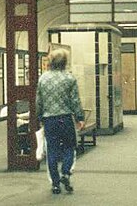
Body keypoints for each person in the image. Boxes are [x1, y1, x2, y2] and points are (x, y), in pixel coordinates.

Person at [36, 49, 85, 195]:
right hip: (66, 118)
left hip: (49, 119)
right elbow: (75, 101)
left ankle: (55, 184)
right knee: (70, 147)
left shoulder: (43, 78)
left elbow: (39, 101)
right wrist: (80, 118)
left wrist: (39, 117)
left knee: (52, 150)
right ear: (65, 62)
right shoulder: (69, 78)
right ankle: (65, 172)